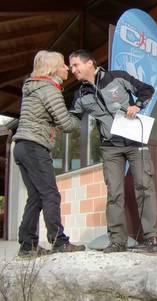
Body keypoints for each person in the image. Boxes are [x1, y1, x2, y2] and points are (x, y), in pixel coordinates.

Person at [68, 49, 157, 252]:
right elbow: (73, 118)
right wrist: (60, 123)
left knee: (144, 187)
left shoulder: (117, 77)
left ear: (90, 63)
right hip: (110, 148)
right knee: (114, 193)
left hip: (136, 142)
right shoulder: (80, 94)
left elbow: (146, 90)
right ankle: (117, 240)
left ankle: (151, 237)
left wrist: (137, 105)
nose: (72, 69)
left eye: (75, 65)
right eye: (71, 66)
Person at [12, 50, 85, 257]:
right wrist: (80, 114)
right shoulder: (49, 89)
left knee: (35, 196)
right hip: (35, 146)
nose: (67, 69)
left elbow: (46, 117)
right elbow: (66, 124)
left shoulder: (34, 87)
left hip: (21, 147)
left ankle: (27, 246)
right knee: (50, 194)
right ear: (53, 68)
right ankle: (59, 241)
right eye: (63, 65)